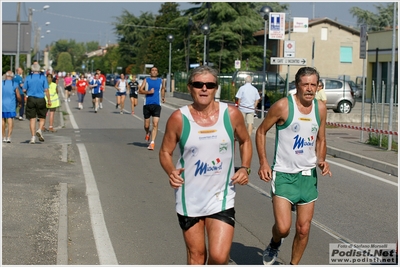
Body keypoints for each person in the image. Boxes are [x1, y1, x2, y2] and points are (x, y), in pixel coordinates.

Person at [159, 65, 252, 264]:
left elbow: (245, 141)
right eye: (198, 84)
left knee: (218, 257)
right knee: (197, 256)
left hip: (222, 196)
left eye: (209, 85)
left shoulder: (231, 114)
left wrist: (245, 167)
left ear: (216, 88)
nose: (204, 88)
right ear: (190, 87)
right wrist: (171, 171)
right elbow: (165, 152)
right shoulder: (179, 118)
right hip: (190, 197)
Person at [255, 67, 332, 265]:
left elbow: (321, 139)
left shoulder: (320, 108)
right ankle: (274, 243)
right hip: (283, 174)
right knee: (283, 228)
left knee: (303, 229)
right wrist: (263, 162)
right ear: (297, 85)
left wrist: (321, 159)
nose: (309, 89)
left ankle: (293, 264)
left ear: (317, 86)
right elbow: (261, 131)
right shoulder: (283, 107)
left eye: (313, 84)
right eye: (305, 84)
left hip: (307, 176)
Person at [138, 66, 166, 150]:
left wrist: (163, 96)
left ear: (157, 72)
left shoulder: (161, 81)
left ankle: (152, 142)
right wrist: (148, 92)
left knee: (155, 124)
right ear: (150, 72)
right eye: (152, 70)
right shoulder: (146, 80)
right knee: (146, 125)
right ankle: (148, 132)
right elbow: (140, 90)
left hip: (157, 104)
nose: (154, 71)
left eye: (155, 70)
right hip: (147, 104)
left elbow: (162, 89)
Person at [23, 62, 50, 144]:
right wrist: (49, 100)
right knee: (42, 117)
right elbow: (46, 90)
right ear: (39, 69)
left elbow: (24, 90)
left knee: (32, 118)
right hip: (40, 98)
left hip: (31, 98)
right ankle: (39, 129)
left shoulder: (28, 77)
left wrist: (28, 93)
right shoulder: (43, 78)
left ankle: (33, 137)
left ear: (32, 69)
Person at [2, 71, 22, 143]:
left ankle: (3, 136)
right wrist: (20, 102)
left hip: (2, 104)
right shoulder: (15, 84)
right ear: (12, 76)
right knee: (10, 120)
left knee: (2, 120)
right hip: (11, 105)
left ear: (6, 76)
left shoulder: (2, 83)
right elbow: (18, 96)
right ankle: (9, 137)